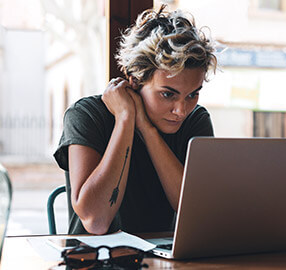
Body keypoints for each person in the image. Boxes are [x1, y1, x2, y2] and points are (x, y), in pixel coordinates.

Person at [53, 5, 217, 235]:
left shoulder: (195, 120)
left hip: (164, 261)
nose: (181, 110)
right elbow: (96, 221)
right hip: (95, 260)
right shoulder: (87, 115)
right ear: (135, 81)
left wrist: (147, 130)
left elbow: (198, 213)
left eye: (192, 94)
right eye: (167, 94)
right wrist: (125, 118)